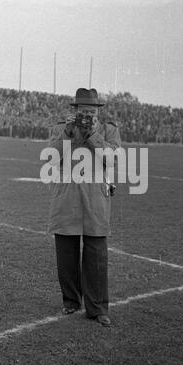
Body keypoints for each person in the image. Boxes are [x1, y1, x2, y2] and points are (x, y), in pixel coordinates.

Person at [48, 88, 121, 326]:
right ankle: (71, 301)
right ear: (75, 111)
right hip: (68, 195)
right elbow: (51, 158)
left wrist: (92, 135)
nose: (86, 114)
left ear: (97, 111)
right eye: (82, 111)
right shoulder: (61, 128)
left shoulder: (109, 130)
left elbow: (113, 160)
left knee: (96, 255)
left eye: (91, 111)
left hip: (95, 198)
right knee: (66, 254)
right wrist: (69, 133)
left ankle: (98, 308)